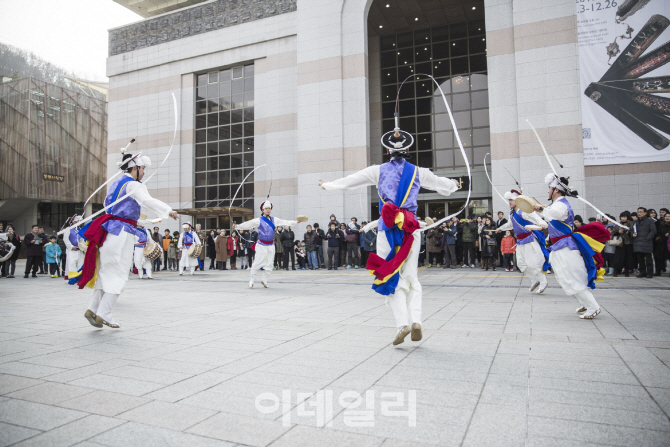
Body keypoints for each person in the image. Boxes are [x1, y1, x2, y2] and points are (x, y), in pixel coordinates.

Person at [319, 123, 459, 346]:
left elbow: (350, 182)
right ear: (408, 150)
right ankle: (416, 321)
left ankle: (402, 324)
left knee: (391, 275)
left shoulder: (377, 170)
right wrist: (453, 184)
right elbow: (444, 185)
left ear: (388, 151)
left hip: (387, 229)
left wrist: (329, 185)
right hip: (411, 230)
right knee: (412, 276)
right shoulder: (418, 172)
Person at [76, 150, 177, 329]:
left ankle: (92, 309)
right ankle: (104, 313)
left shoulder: (116, 185)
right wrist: (167, 210)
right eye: (143, 168)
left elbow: (120, 213)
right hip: (121, 234)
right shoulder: (133, 185)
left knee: (106, 272)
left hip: (109, 231)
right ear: (135, 167)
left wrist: (141, 221)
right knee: (119, 274)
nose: (144, 172)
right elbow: (146, 200)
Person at [534, 174, 608, 319]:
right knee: (567, 277)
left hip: (565, 247)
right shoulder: (556, 204)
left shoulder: (560, 204)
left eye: (550, 188)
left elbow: (554, 213)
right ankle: (585, 303)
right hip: (560, 246)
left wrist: (541, 209)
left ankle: (593, 306)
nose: (548, 191)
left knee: (571, 277)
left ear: (556, 190)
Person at [233, 201, 302, 288]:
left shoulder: (274, 220)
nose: (268, 210)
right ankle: (252, 280)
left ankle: (264, 280)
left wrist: (295, 222)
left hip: (271, 245)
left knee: (270, 264)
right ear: (263, 210)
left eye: (269, 208)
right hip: (261, 245)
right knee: (257, 262)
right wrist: (238, 226)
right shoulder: (259, 220)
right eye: (266, 208)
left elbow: (284, 222)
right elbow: (248, 224)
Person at [496, 189, 550, 292]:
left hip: (529, 239)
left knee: (533, 263)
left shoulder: (524, 211)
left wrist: (542, 223)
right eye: (509, 201)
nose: (509, 202)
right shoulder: (512, 215)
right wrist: (500, 229)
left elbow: (536, 217)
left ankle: (543, 282)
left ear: (517, 200)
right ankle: (534, 280)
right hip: (520, 241)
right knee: (521, 264)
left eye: (511, 200)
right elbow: (509, 225)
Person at [633, 207, 657, 278]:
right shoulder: (636, 222)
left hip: (646, 242)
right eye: (638, 212)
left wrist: (647, 238)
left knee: (648, 259)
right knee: (640, 259)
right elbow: (632, 230)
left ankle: (650, 273)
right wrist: (633, 234)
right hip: (638, 242)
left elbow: (653, 231)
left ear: (645, 213)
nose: (639, 213)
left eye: (641, 212)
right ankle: (642, 272)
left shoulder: (650, 221)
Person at [611, 211, 634, 277]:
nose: (623, 218)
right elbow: (613, 233)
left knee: (627, 258)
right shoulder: (618, 224)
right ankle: (616, 271)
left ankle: (627, 271)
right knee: (618, 258)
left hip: (628, 243)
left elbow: (633, 232)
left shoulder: (630, 224)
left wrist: (628, 233)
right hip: (619, 244)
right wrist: (619, 232)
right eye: (622, 217)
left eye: (624, 217)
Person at [64, 215, 86, 280]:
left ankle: (79, 278)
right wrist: (71, 246)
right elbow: (65, 239)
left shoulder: (81, 230)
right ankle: (72, 278)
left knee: (81, 264)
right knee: (72, 263)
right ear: (74, 222)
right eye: (78, 221)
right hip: (72, 250)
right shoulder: (68, 229)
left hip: (80, 250)